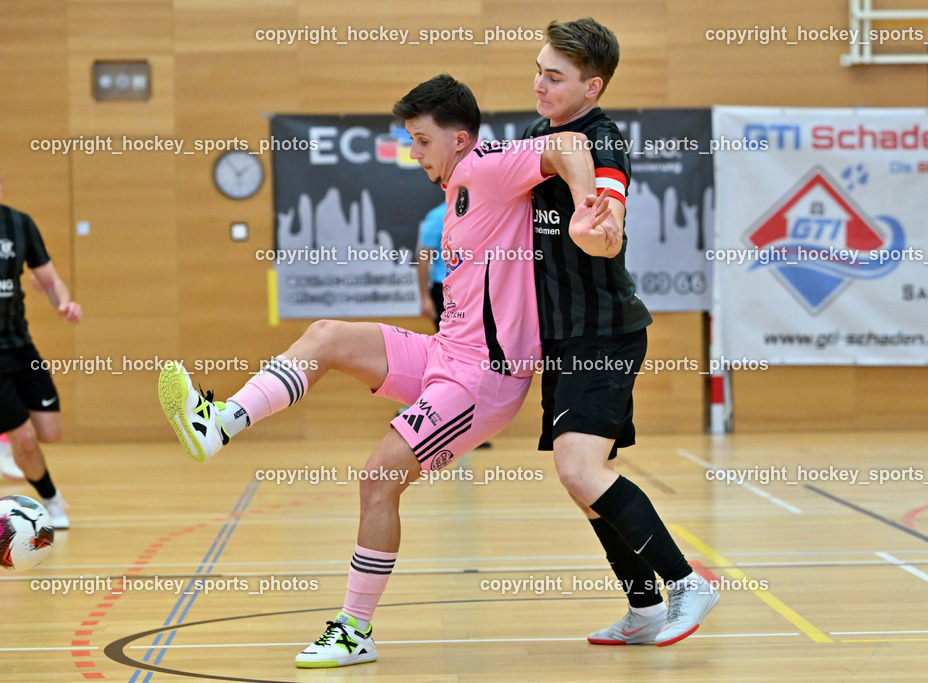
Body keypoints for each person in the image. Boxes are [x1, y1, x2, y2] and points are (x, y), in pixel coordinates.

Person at [158, 74, 614, 669]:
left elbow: (570, 147)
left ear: (460, 138)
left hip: (482, 381)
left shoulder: (489, 164)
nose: (414, 153)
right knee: (327, 337)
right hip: (445, 353)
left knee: (378, 479)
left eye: (422, 141)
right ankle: (219, 422)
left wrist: (586, 203)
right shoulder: (456, 192)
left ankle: (354, 630)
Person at [523, 18, 719, 647]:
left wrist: (602, 227)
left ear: (592, 86)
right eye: (539, 70)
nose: (540, 84)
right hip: (561, 337)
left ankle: (688, 582)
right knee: (586, 483)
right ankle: (643, 608)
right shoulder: (537, 135)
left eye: (555, 77)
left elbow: (608, 212)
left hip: (602, 334)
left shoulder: (603, 142)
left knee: (580, 470)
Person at [0, 183, 81, 528]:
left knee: (51, 432)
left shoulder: (19, 224)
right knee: (26, 440)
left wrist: (62, 301)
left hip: (21, 345)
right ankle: (51, 499)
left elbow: (49, 280)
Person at [416, 200, 446, 330]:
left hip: (477, 289)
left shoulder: (481, 213)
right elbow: (423, 258)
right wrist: (425, 298)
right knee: (450, 342)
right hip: (445, 289)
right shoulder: (439, 216)